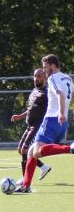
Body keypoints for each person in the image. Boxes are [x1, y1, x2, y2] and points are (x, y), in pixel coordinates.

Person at [15, 54, 74, 193]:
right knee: (30, 152)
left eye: (45, 67)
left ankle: (70, 148)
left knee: (36, 152)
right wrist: (63, 113)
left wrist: (59, 112)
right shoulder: (68, 78)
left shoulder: (53, 78)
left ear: (53, 66)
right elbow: (69, 96)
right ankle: (25, 186)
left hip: (52, 119)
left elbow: (59, 94)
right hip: (62, 123)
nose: (44, 70)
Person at [11, 68, 51, 183]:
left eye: (39, 76)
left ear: (45, 77)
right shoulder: (34, 91)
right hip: (29, 126)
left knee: (25, 149)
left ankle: (25, 180)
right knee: (20, 150)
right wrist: (20, 116)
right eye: (35, 76)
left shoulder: (47, 93)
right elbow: (30, 109)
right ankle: (43, 167)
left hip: (38, 126)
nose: (36, 78)